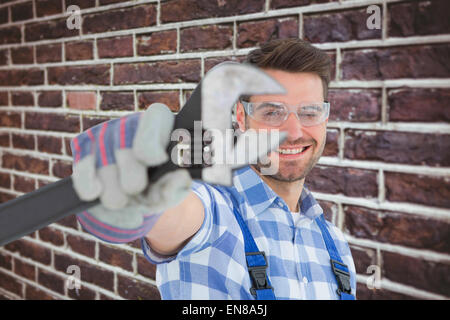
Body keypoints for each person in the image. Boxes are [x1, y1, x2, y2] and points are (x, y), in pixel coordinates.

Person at [71, 38, 356, 300]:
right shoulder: (217, 211)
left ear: (326, 117)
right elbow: (179, 216)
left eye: (310, 112)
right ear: (242, 119)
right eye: (272, 112)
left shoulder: (336, 245)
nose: (293, 132)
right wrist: (143, 202)